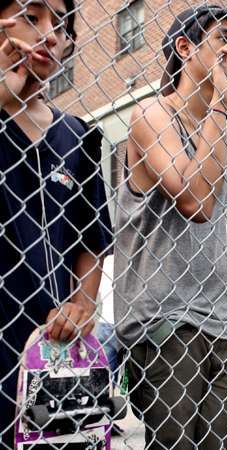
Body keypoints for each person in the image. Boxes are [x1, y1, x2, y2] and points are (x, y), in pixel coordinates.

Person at [113, 6, 227, 450]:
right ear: (184, 47)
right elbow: (196, 199)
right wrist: (218, 102)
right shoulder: (152, 117)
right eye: (223, 39)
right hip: (168, 324)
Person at [0, 0, 112, 444]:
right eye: (31, 16)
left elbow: (91, 239)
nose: (49, 34)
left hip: (47, 348)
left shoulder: (77, 137)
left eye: (60, 26)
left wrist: (81, 306)